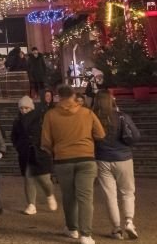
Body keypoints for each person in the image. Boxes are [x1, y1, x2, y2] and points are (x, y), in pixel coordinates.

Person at [42, 84, 105, 244]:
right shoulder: (87, 113)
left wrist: (55, 149)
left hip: (63, 160)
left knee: (69, 197)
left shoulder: (50, 115)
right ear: (74, 95)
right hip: (86, 158)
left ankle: (72, 229)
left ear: (58, 96)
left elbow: (46, 142)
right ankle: (86, 235)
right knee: (85, 197)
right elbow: (100, 134)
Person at [92, 90, 141, 240]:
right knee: (127, 192)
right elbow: (136, 136)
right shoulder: (121, 116)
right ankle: (129, 221)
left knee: (110, 195)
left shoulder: (94, 118)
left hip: (102, 159)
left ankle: (116, 228)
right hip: (123, 157)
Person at [10, 96, 56, 215]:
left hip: (40, 152)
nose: (24, 111)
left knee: (44, 179)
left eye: (26, 108)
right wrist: (19, 146)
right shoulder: (18, 121)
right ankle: (31, 204)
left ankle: (49, 195)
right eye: (21, 108)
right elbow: (14, 136)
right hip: (26, 152)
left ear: (31, 108)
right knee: (28, 177)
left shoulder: (41, 119)